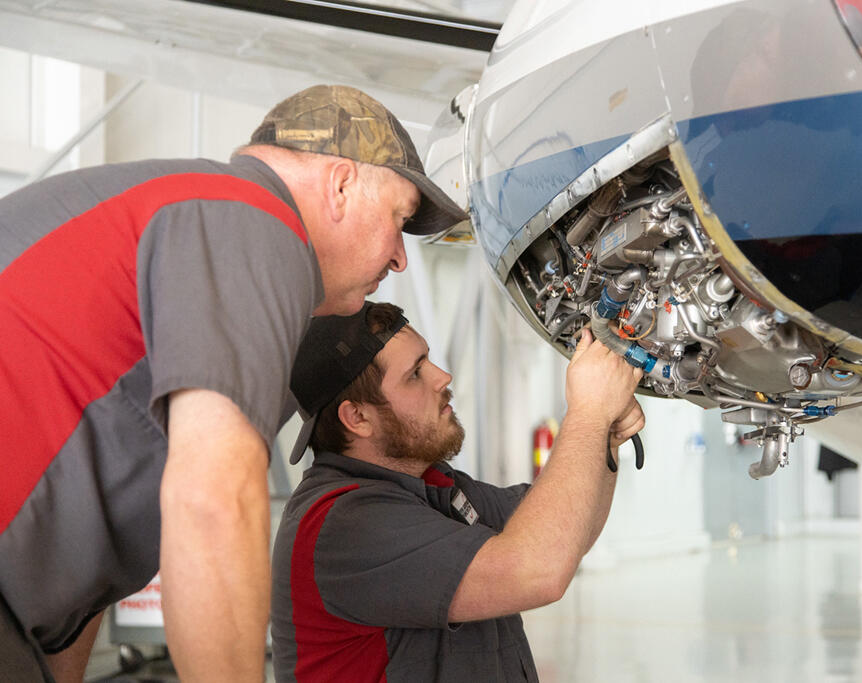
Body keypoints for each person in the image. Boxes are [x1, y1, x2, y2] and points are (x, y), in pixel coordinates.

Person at [0, 84, 467, 683]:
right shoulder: (253, 219)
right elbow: (215, 501)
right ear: (342, 184)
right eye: (399, 219)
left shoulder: (200, 220)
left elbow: (90, 581)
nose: (400, 258)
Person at [271, 302, 645, 682]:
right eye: (415, 373)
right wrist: (587, 414)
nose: (442, 376)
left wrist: (605, 437)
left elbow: (567, 536)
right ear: (358, 418)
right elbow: (538, 571)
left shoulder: (433, 485)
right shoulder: (341, 525)